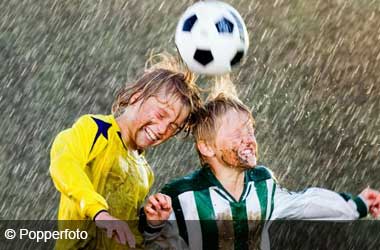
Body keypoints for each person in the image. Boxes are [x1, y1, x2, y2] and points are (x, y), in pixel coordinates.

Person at [142, 93, 380, 250]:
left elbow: (306, 203)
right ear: (207, 147)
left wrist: (357, 205)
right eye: (237, 132)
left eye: (250, 131)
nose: (248, 139)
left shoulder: (263, 184)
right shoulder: (182, 194)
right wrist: (153, 223)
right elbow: (153, 239)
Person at [49, 54, 202, 249]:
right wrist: (99, 213)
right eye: (161, 114)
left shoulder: (145, 172)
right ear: (137, 96)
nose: (163, 129)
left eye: (173, 126)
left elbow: (127, 235)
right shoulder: (95, 129)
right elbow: (63, 164)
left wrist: (152, 224)